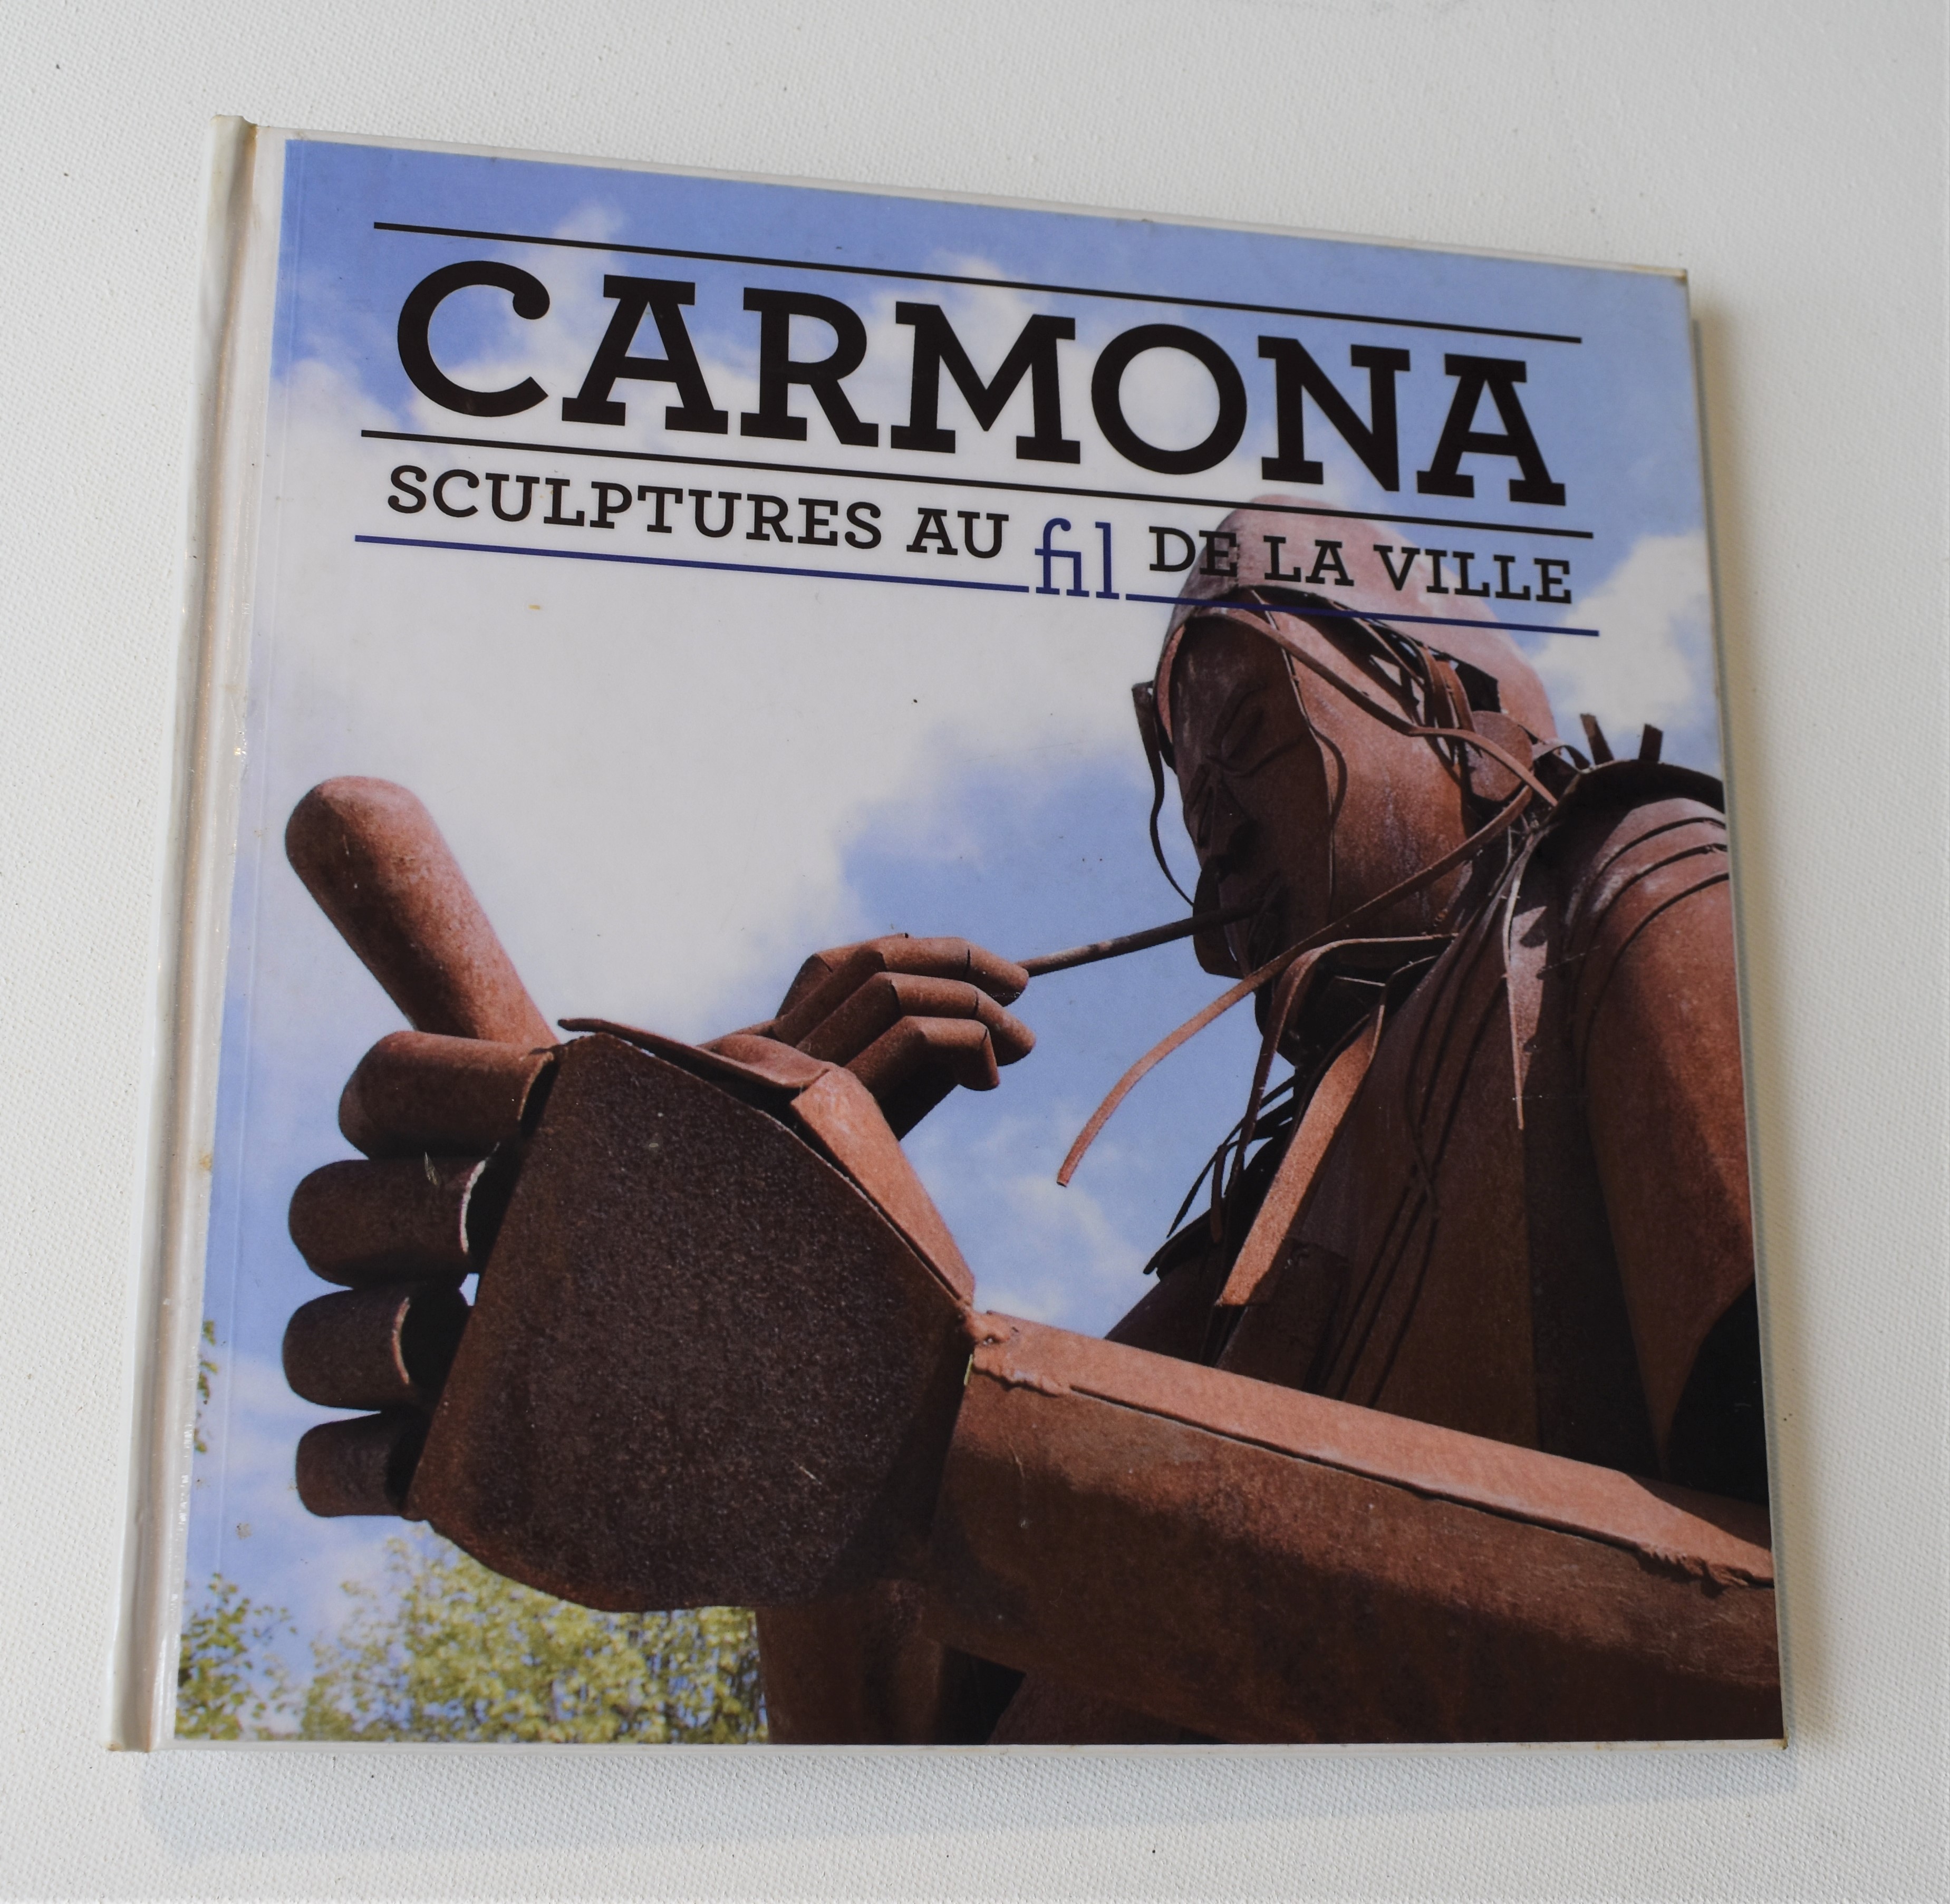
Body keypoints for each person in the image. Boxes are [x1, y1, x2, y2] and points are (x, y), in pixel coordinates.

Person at [281, 504, 1773, 1744]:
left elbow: (1821, 1669)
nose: (1218, 873)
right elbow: (883, 1790)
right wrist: (770, 1284)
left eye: (1250, 744)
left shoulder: (1644, 896)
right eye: (1191, 810)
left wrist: (915, 1433)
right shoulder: (1228, 1265)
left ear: (1458, 706)